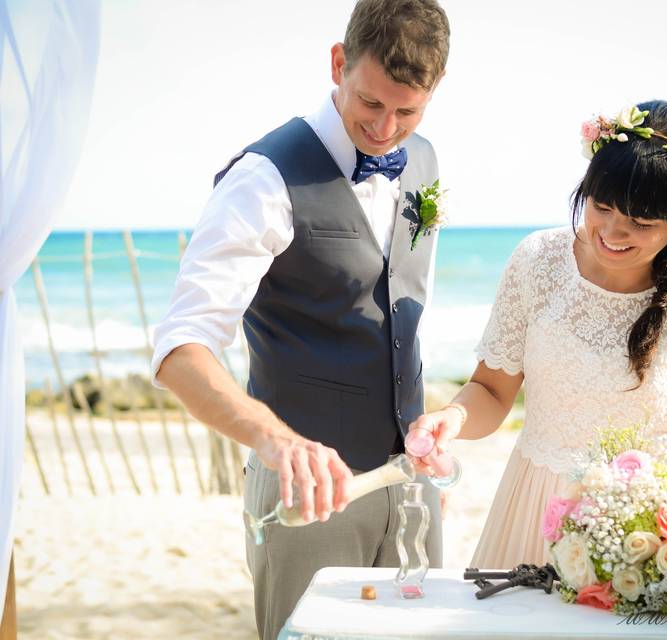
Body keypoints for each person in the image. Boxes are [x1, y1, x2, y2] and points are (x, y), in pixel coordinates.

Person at [151, 1, 450, 636]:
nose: (386, 128)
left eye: (408, 111)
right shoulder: (261, 179)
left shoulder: (422, 161)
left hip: (415, 487)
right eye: (371, 104)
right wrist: (277, 441)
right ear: (339, 63)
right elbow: (182, 346)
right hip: (308, 499)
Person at [410, 100, 667, 572]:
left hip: (654, 532)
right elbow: (492, 392)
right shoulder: (537, 259)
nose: (613, 232)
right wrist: (454, 419)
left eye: (641, 222)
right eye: (601, 207)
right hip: (533, 510)